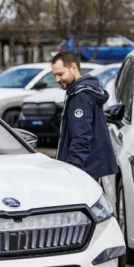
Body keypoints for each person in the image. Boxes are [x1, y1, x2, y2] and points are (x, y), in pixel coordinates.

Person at [51, 51, 118, 182]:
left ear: (73, 68)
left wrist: (73, 169)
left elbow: (81, 137)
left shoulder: (80, 96)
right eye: (55, 75)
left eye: (60, 74)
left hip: (83, 170)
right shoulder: (83, 91)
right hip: (89, 167)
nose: (57, 80)